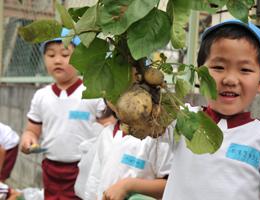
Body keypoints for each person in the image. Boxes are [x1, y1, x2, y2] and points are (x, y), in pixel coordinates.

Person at [162, 19, 260, 200]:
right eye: (218, 67)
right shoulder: (181, 118)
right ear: (200, 75)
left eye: (244, 69)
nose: (230, 79)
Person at [20, 28, 106, 200]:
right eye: (51, 55)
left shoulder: (92, 92)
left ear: (81, 58)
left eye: (65, 55)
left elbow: (108, 129)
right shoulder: (41, 96)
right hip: (50, 169)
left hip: (83, 169)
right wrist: (28, 139)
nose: (57, 60)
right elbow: (32, 130)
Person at [74, 105, 173, 200]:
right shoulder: (106, 133)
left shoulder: (157, 138)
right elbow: (95, 180)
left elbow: (170, 185)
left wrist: (128, 185)